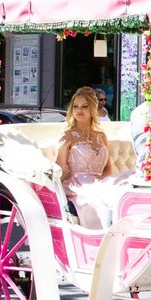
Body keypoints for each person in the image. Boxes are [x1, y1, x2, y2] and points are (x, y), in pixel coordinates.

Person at [56, 87, 130, 229]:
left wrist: (104, 184)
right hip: (76, 184)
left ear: (92, 109)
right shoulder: (67, 135)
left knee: (123, 186)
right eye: (75, 106)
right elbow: (60, 168)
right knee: (94, 202)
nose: (79, 110)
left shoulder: (100, 136)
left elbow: (108, 168)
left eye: (84, 106)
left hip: (99, 182)